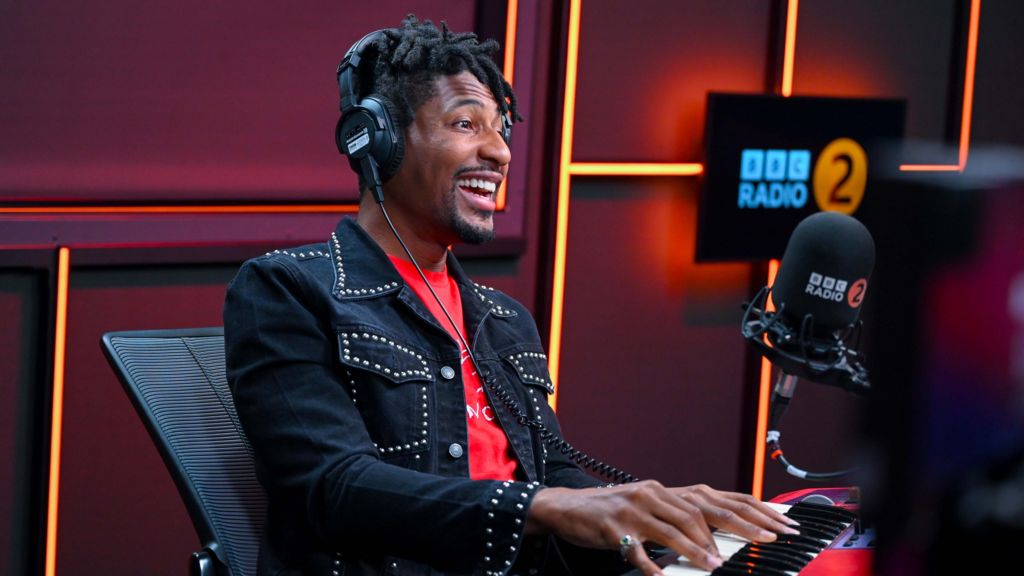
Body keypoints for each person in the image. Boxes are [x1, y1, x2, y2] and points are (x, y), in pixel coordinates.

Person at [223, 15, 798, 576]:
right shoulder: (289, 290)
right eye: (466, 124)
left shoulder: (503, 319)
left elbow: (555, 472)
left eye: (501, 128)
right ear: (379, 141)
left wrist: (652, 514)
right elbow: (334, 486)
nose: (500, 152)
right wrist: (540, 507)